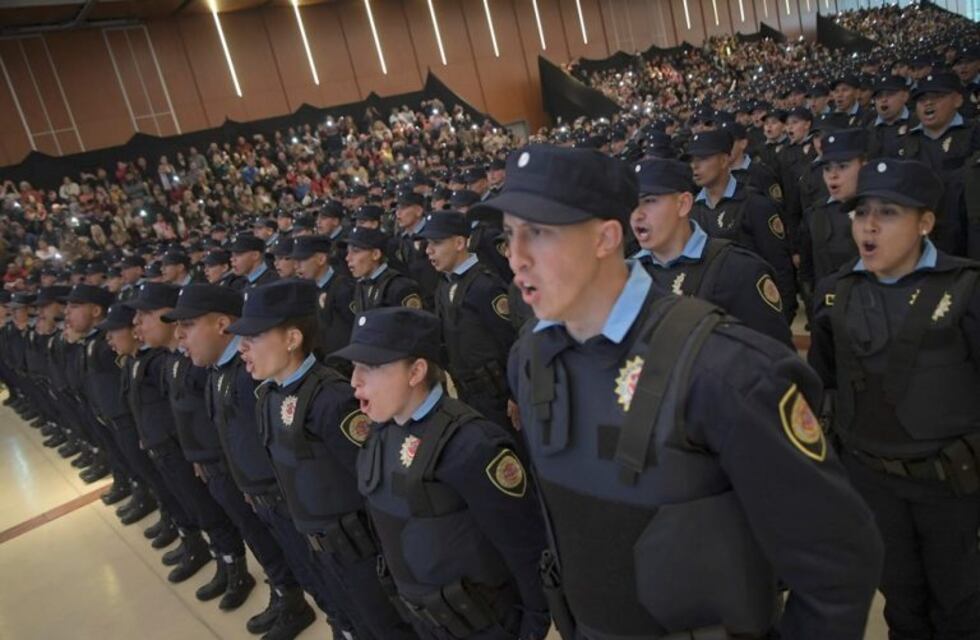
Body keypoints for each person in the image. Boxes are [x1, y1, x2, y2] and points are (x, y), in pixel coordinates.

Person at [473, 144, 882, 639]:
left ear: (605, 237)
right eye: (510, 235)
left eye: (538, 233)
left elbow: (837, 559)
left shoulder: (723, 369)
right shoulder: (531, 361)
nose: (516, 259)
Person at [808, 158, 980, 638]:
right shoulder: (834, 294)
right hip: (874, 481)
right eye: (862, 213)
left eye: (888, 213)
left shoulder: (966, 289)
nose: (869, 225)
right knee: (900, 602)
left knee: (960, 601)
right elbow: (826, 384)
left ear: (925, 223)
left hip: (951, 485)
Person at [334, 306, 549, 640]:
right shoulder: (382, 433)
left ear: (416, 371)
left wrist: (534, 627)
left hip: (481, 622)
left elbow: (526, 547)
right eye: (354, 367)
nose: (354, 381)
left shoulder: (471, 445)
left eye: (370, 367)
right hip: (422, 618)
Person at [229, 279, 418, 640]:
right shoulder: (268, 396)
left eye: (253, 337)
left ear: (292, 338)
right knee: (347, 619)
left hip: (359, 551)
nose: (242, 348)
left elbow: (376, 484)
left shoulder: (331, 400)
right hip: (314, 547)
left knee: (386, 627)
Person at [165, 284, 320, 639]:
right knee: (266, 546)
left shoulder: (252, 374)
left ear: (221, 324)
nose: (180, 335)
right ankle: (287, 597)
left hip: (282, 495)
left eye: (188, 325)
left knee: (311, 567)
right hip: (251, 487)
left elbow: (278, 443)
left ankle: (303, 604)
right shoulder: (220, 371)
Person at [630, 158, 792, 346]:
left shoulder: (738, 269)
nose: (637, 214)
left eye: (649, 201)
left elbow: (775, 357)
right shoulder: (627, 274)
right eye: (631, 203)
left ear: (683, 204)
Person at [687, 130, 798, 322]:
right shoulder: (692, 210)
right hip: (711, 316)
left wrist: (783, 316)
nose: (695, 166)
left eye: (703, 158)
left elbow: (779, 266)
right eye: (692, 159)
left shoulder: (755, 204)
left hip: (753, 311)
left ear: (724, 160)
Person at [418, 210, 516, 426]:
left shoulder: (485, 286)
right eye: (427, 243)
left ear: (459, 242)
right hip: (468, 393)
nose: (429, 250)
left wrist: (516, 394)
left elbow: (512, 342)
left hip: (498, 395)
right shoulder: (444, 285)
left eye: (436, 243)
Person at [798, 129, 865, 307]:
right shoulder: (815, 214)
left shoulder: (884, 213)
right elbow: (807, 273)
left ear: (864, 165)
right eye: (827, 168)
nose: (832, 175)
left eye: (843, 166)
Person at [291, 234, 355, 362]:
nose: (296, 266)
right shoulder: (308, 289)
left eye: (302, 260)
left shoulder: (343, 288)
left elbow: (350, 331)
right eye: (295, 261)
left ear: (321, 259)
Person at [347, 226, 423, 313]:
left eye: (355, 251)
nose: (348, 258)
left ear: (376, 254)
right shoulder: (361, 285)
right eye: (348, 252)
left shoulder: (399, 287)